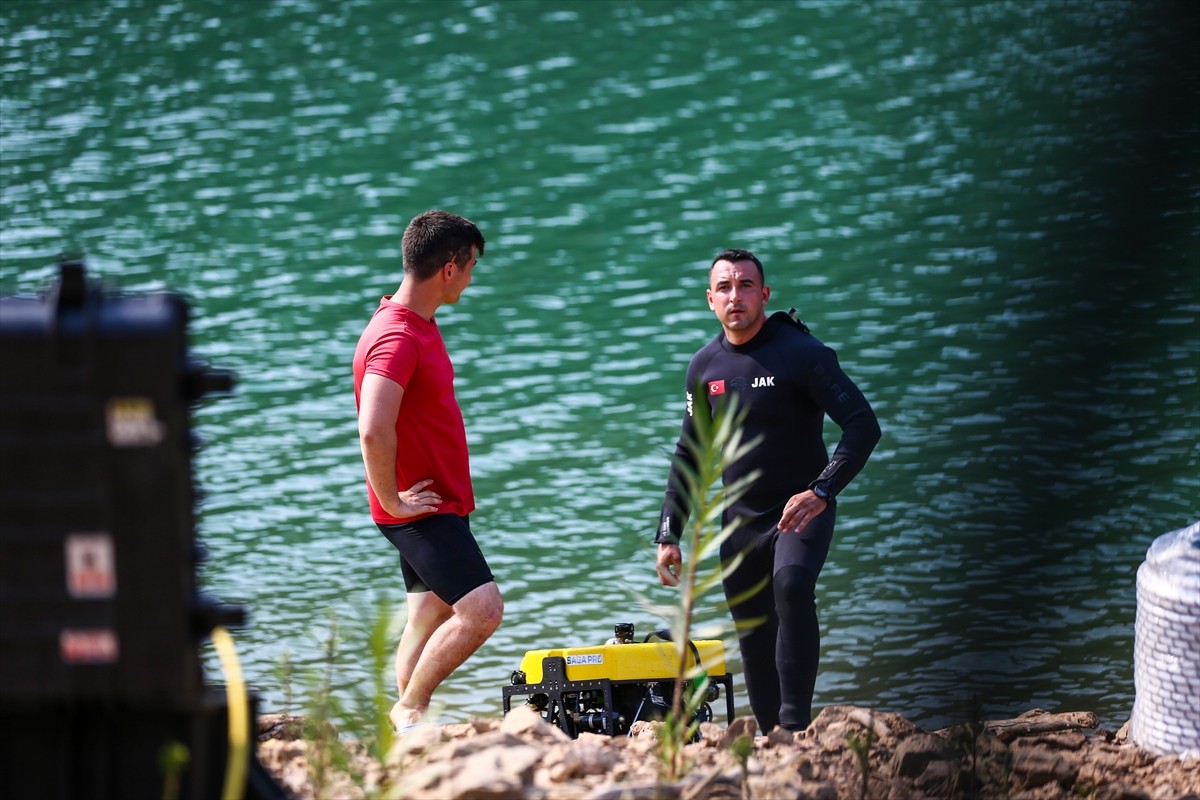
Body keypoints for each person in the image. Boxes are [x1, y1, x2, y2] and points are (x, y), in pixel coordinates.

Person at [654, 248, 880, 733]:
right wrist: (669, 533)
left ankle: (797, 729)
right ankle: (773, 736)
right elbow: (691, 452)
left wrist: (821, 491)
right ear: (710, 299)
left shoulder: (802, 354)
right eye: (725, 288)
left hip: (800, 509)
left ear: (765, 294)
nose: (736, 296)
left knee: (792, 586)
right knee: (754, 631)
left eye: (746, 286)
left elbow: (862, 425)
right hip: (740, 520)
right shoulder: (704, 367)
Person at [352, 209, 503, 731]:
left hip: (433, 502)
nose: (471, 277)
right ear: (450, 268)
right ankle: (409, 710)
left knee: (426, 618)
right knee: (482, 610)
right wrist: (393, 501)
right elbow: (373, 427)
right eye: (471, 267)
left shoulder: (415, 323)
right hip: (418, 509)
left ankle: (407, 734)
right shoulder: (397, 336)